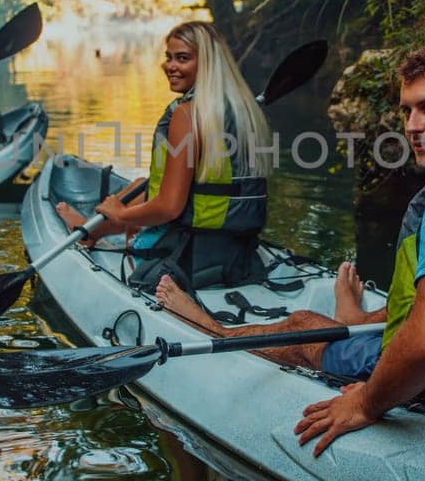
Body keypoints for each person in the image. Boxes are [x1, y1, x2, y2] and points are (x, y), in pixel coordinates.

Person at [152, 45, 425, 454]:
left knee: (305, 325)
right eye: (408, 110)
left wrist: (366, 403)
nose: (413, 126)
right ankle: (358, 320)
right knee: (419, 303)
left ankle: (215, 330)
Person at [56, 21, 272, 290]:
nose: (170, 66)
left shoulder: (186, 114)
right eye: (168, 57)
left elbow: (170, 206)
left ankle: (90, 231)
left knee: (134, 207)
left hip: (188, 256)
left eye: (183, 58)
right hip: (238, 253)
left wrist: (122, 215)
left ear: (208, 64)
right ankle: (93, 231)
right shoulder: (245, 110)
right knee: (139, 187)